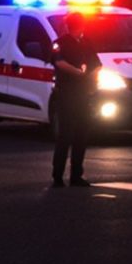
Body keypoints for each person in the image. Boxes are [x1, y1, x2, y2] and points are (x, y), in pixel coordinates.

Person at [49, 15, 97, 186]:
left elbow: (96, 64)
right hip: (66, 94)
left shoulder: (86, 43)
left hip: (83, 94)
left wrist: (89, 73)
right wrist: (77, 72)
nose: (80, 29)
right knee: (65, 135)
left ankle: (76, 175)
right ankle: (58, 176)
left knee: (81, 135)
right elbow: (59, 62)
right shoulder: (60, 43)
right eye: (79, 26)